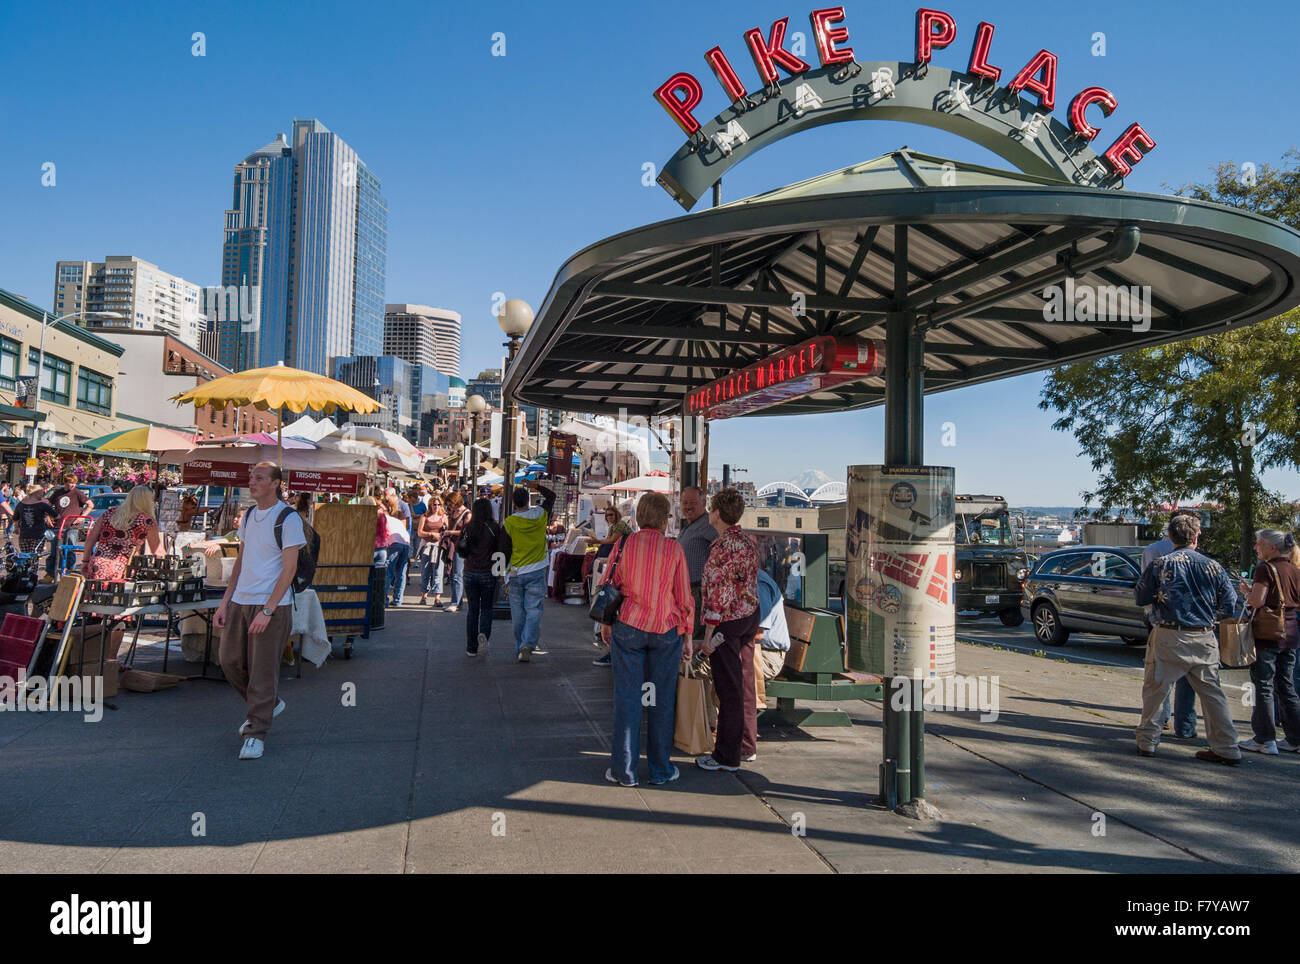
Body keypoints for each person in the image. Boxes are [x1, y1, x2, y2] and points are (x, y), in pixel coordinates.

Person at [597, 493, 693, 787]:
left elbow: (607, 584)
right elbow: (684, 598)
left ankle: (624, 771)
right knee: (661, 701)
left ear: (639, 516)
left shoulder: (625, 544)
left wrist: (605, 623)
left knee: (627, 699)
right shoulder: (674, 549)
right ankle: (661, 769)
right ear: (664, 518)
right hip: (665, 631)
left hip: (629, 626)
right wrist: (688, 636)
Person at [1133, 513, 1242, 764]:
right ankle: (1227, 745)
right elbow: (1230, 603)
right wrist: (1209, 616)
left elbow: (1141, 597)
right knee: (1213, 694)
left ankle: (1148, 741)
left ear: (1171, 536)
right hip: (1203, 635)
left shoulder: (1161, 564)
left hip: (1169, 633)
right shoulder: (1213, 566)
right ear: (1197, 536)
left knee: (1156, 690)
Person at [214, 462, 304, 761]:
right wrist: (225, 602)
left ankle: (256, 732)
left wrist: (268, 609)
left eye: (259, 478)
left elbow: (289, 569)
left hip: (272, 604)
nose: (251, 482)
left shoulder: (288, 518)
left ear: (276, 483)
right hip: (241, 599)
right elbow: (242, 561)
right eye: (251, 477)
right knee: (229, 661)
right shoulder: (250, 515)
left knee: (262, 671)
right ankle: (268, 704)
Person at [695, 487, 760, 772]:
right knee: (743, 685)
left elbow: (718, 596)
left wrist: (708, 637)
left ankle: (726, 756)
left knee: (728, 689)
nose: (709, 513)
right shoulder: (747, 542)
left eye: (711, 509)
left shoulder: (722, 549)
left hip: (727, 622)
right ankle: (746, 746)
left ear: (717, 514)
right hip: (749, 615)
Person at [1235, 529, 1300, 753]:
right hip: (1290, 633)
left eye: (1259, 543)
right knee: (1286, 686)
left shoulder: (1265, 569)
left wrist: (1247, 594)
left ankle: (1264, 738)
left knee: (1263, 686)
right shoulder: (1294, 568)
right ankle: (1295, 738)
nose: (1256, 547)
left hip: (1267, 634)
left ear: (1272, 547)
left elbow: (1258, 600)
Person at [1141, 508, 1201, 738]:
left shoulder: (1153, 553)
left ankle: (1159, 723)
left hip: (1164, 622)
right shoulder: (1204, 560)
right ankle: (1184, 726)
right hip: (1192, 624)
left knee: (1161, 676)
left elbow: (1143, 592)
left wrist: (1153, 615)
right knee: (1189, 677)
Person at [502, 482, 555, 662]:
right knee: (534, 610)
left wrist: (502, 572)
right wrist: (537, 486)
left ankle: (519, 646)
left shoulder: (510, 522)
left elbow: (504, 549)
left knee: (517, 613)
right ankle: (528, 644)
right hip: (538, 569)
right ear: (528, 500)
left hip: (516, 571)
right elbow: (552, 496)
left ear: (514, 503)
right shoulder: (540, 515)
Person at [458, 497, 511, 657]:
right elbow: (501, 550)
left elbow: (461, 549)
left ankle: (471, 647)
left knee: (472, 610)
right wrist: (501, 571)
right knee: (487, 608)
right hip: (488, 572)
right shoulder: (494, 528)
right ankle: (484, 636)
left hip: (469, 572)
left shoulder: (468, 527)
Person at [82, 485, 163, 580]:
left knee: (94, 593)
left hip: (98, 563)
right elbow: (157, 551)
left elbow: (90, 540)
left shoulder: (109, 513)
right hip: (123, 566)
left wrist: (85, 561)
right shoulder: (147, 521)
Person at [677, 486, 718, 642]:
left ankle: (690, 666)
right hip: (687, 592)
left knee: (692, 639)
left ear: (703, 502)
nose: (688, 507)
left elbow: (720, 546)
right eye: (685, 503)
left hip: (698, 593)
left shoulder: (708, 524)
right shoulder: (689, 526)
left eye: (692, 503)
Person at [753, 567, 791, 715]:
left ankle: (713, 724)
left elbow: (758, 634)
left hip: (769, 655)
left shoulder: (759, 584)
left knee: (708, 666)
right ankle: (712, 724)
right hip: (758, 650)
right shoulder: (749, 580)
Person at [44, 472, 91, 578]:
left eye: (74, 483)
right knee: (55, 551)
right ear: (65, 483)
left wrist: (82, 517)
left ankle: (70, 574)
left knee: (70, 551)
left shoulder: (78, 493)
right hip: (58, 526)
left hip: (71, 526)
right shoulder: (58, 492)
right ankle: (51, 574)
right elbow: (48, 506)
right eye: (70, 483)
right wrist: (48, 517)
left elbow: (90, 504)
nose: (73, 485)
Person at [441, 492, 470, 613]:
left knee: (457, 574)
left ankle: (456, 603)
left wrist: (449, 532)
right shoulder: (452, 512)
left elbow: (466, 531)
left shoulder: (467, 514)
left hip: (461, 547)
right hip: (452, 545)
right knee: (453, 574)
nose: (448, 506)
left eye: (449, 503)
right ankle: (456, 601)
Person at [417, 494, 448, 605]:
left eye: (438, 504)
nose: (436, 506)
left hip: (438, 548)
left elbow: (447, 532)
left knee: (438, 572)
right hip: (426, 546)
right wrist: (431, 533)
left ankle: (437, 597)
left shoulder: (444, 517)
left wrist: (442, 535)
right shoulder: (424, 516)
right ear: (430, 505)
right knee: (425, 571)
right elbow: (419, 532)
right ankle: (424, 596)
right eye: (434, 504)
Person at [383, 494, 412, 607]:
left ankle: (384, 599)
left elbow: (384, 535)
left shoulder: (384, 518)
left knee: (388, 572)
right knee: (401, 573)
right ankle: (398, 600)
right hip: (405, 543)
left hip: (395, 544)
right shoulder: (399, 517)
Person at [15, 485, 57, 555]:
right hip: (38, 535)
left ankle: (27, 566)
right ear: (35, 493)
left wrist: (16, 527)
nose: (43, 494)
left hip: (24, 535)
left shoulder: (21, 504)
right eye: (41, 492)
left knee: (26, 557)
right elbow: (56, 515)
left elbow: (15, 518)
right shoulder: (42, 505)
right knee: (34, 557)